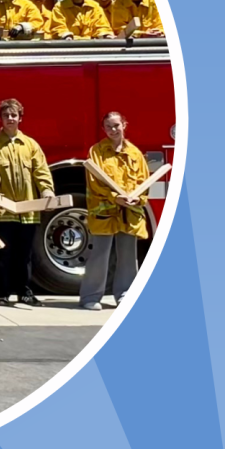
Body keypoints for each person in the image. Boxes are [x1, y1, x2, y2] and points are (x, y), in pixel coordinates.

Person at [0, 98, 54, 307]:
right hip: (4, 212)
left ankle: (25, 292)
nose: (10, 119)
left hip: (29, 211)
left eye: (14, 115)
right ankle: (2, 293)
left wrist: (47, 190)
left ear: (20, 118)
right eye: (6, 115)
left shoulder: (31, 145)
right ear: (1, 120)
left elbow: (41, 171)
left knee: (25, 255)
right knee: (3, 254)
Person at [81, 112, 148, 310]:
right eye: (108, 127)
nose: (113, 130)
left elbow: (144, 181)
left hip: (129, 212)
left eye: (116, 125)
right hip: (105, 213)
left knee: (127, 256)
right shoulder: (97, 152)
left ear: (124, 125)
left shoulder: (135, 154)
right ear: (103, 129)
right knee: (99, 256)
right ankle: (90, 297)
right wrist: (114, 197)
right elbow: (94, 182)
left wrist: (139, 198)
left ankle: (125, 295)